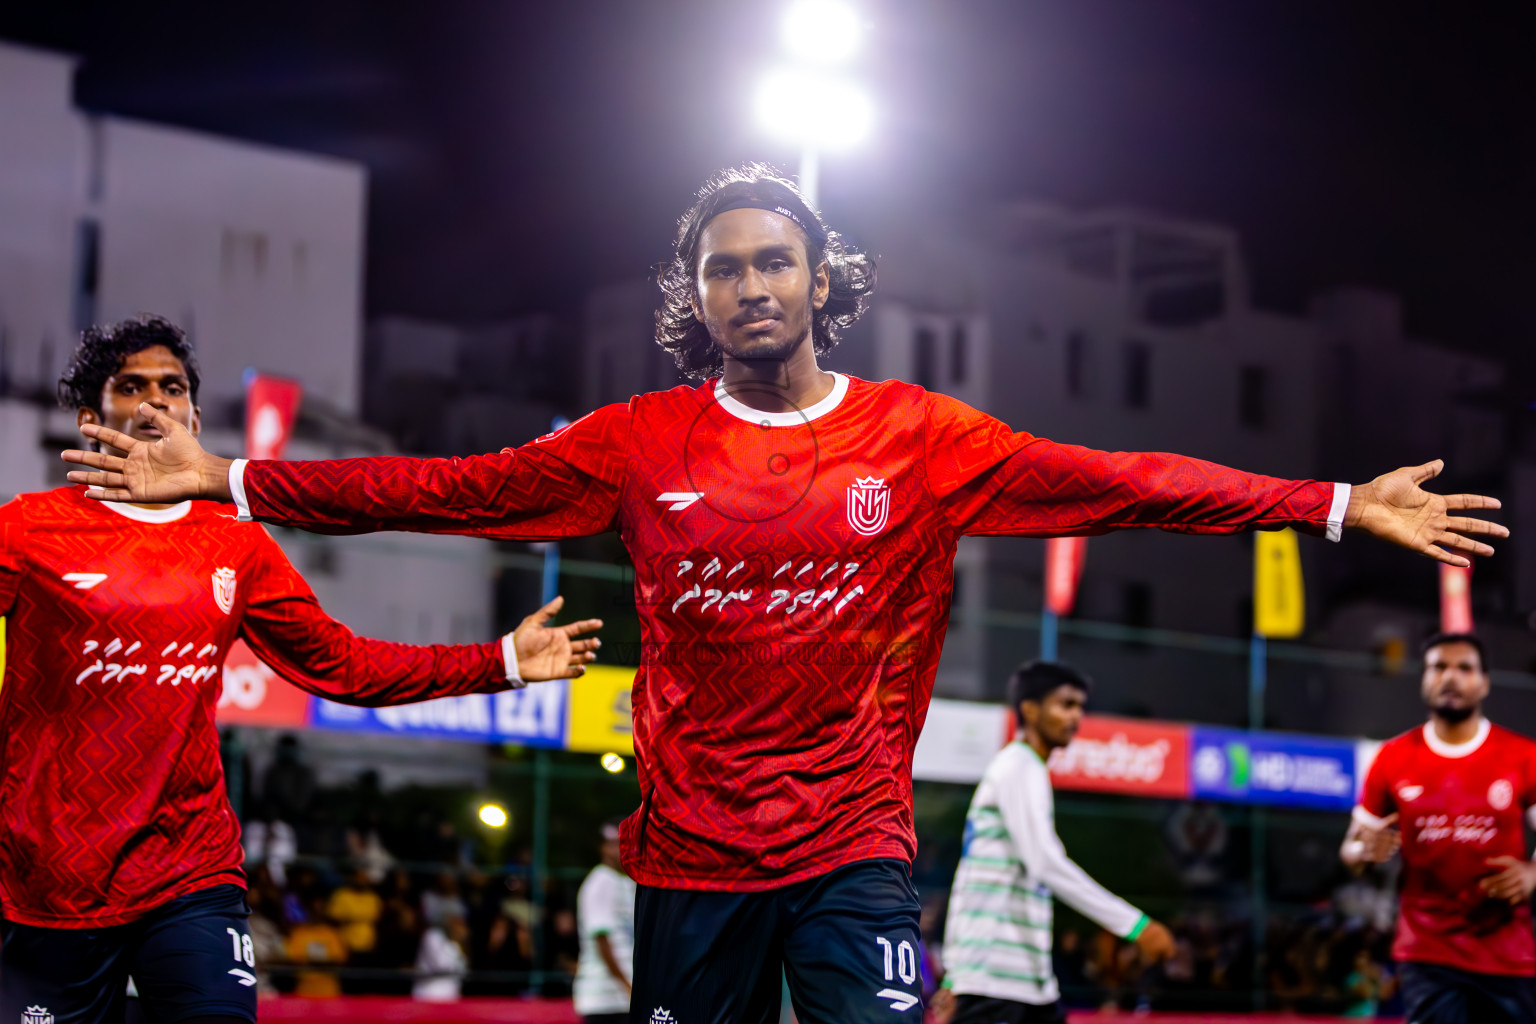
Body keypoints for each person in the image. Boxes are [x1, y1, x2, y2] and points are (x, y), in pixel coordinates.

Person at [63, 166, 1506, 1023]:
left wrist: (1327, 504)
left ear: (821, 280)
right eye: (724, 270)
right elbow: (446, 490)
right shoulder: (635, 444)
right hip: (688, 861)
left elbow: (1124, 479)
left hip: (851, 847)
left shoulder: (921, 440)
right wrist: (232, 481)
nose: (752, 285)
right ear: (697, 298)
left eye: (775, 262)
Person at [0, 314, 603, 1024]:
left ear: (195, 414)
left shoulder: (236, 547)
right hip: (50, 880)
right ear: (88, 417)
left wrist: (500, 659)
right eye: (131, 386)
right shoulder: (28, 529)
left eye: (172, 387)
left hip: (188, 872)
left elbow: (344, 666)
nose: (154, 401)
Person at [940, 662, 1176, 1024]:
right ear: (1031, 710)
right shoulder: (1017, 767)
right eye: (1065, 704)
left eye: (1080, 706)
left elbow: (974, 877)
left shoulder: (1026, 769)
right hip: (993, 982)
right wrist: (1135, 925)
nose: (1076, 716)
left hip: (1029, 984)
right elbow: (1045, 862)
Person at [1341, 632, 1536, 1022]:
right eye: (1438, 667)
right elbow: (1351, 849)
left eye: (1464, 668)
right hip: (1427, 954)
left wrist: (1533, 874)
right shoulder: (1392, 759)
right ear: (1424, 679)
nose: (1450, 677)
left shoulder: (1522, 756)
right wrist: (1362, 852)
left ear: (1484, 682)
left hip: (1507, 955)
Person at [574, 822, 636, 1024]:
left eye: (623, 842)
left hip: (622, 999)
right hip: (604, 998)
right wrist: (627, 986)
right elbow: (602, 940)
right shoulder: (599, 882)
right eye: (612, 844)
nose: (619, 849)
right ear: (602, 848)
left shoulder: (626, 881)